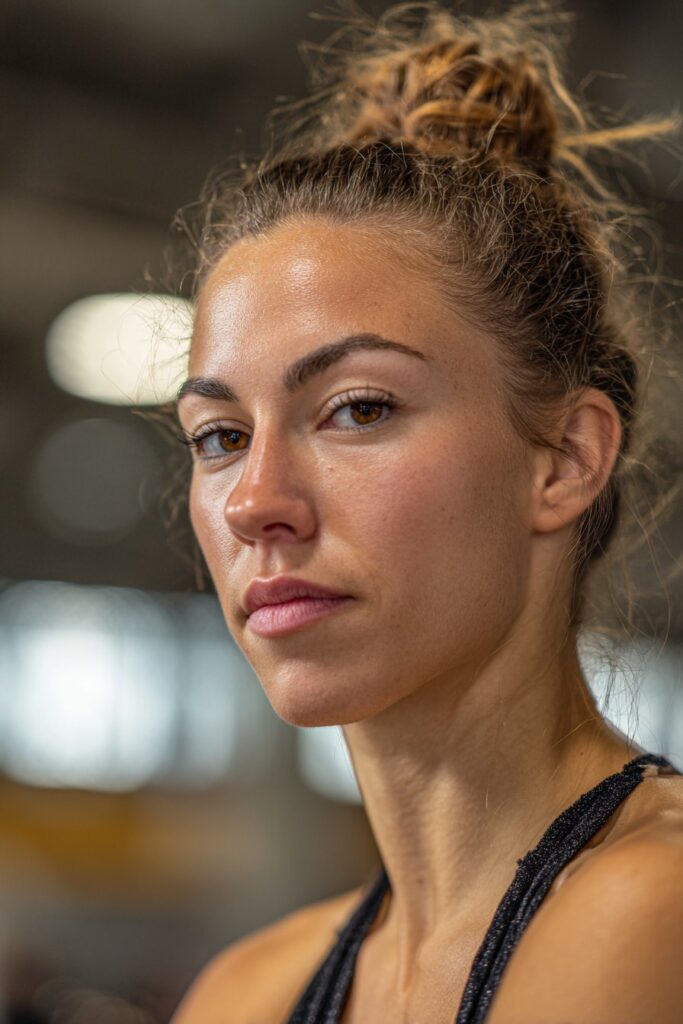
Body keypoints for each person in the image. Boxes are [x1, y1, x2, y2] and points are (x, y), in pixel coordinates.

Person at [169, 1, 683, 1021]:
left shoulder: (649, 917)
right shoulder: (244, 990)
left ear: (564, 458)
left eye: (356, 408)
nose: (257, 504)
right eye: (220, 436)